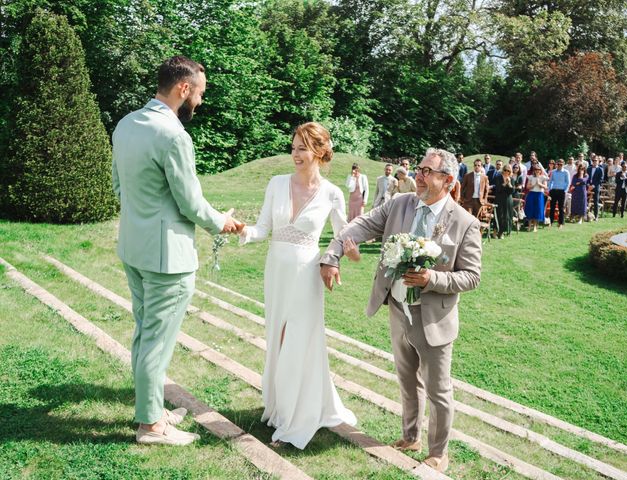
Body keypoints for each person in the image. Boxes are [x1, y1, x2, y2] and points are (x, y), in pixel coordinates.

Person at [320, 148, 481, 474]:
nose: (418, 175)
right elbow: (362, 225)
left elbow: (472, 276)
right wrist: (332, 253)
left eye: (427, 171)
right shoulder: (400, 203)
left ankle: (438, 452)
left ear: (447, 180)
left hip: (433, 317)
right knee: (407, 381)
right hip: (397, 308)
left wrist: (431, 278)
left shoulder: (465, 223)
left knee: (438, 390)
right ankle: (410, 438)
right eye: (419, 169)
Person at [112, 56, 243, 446]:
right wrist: (223, 221)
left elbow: (119, 187)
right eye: (200, 93)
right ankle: (151, 427)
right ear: (184, 89)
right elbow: (190, 202)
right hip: (168, 259)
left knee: (143, 334)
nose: (200, 102)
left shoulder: (126, 124)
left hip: (133, 248)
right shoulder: (173, 136)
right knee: (156, 340)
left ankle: (150, 409)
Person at [239, 122, 356, 449]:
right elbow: (262, 228)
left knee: (297, 341)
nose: (295, 154)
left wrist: (334, 260)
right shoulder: (276, 184)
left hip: (307, 276)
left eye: (302, 148)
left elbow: (344, 235)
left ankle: (294, 422)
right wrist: (240, 230)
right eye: (293, 148)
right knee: (276, 337)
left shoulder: (333, 192)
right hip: (276, 272)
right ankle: (279, 408)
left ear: (320, 151)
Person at [524, 165, 547, 232]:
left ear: (540, 170)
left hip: (539, 194)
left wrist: (539, 184)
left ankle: (535, 227)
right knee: (530, 209)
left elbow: (545, 187)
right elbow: (527, 186)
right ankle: (529, 226)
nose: (537, 171)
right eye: (536, 169)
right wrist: (533, 185)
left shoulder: (543, 177)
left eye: (538, 169)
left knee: (538, 210)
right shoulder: (531, 177)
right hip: (531, 194)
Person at [548, 159, 570, 229]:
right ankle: (550, 222)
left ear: (563, 164)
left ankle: (561, 223)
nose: (559, 166)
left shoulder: (566, 172)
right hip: (554, 191)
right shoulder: (553, 172)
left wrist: (565, 190)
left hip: (561, 191)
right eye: (558, 164)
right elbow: (550, 181)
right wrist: (550, 189)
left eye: (561, 164)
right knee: (552, 207)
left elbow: (568, 182)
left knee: (561, 208)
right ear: (556, 164)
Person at [494, 164, 514, 238]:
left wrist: (509, 184)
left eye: (508, 171)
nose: (506, 172)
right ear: (503, 170)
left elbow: (512, 191)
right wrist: (505, 183)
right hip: (499, 199)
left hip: (508, 200)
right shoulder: (498, 177)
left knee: (507, 216)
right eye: (505, 170)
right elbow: (498, 189)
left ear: (510, 172)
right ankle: (495, 231)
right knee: (499, 215)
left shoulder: (511, 179)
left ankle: (502, 232)